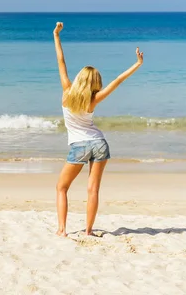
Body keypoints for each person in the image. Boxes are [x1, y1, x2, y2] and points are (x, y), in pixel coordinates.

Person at [53, 21, 144, 237]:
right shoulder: (94, 99)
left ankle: (62, 230)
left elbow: (61, 61)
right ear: (94, 83)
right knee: (92, 189)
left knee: (61, 188)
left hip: (79, 146)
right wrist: (137, 64)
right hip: (99, 143)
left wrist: (56, 35)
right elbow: (118, 80)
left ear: (78, 79)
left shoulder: (67, 92)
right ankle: (88, 231)